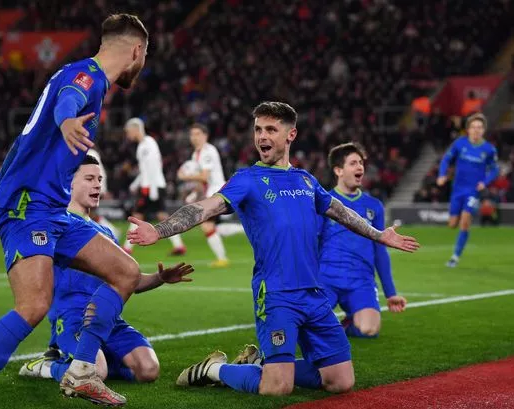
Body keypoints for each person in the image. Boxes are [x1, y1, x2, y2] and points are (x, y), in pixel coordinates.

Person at [127, 101, 419, 396]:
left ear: (290, 135)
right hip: (277, 294)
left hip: (314, 294)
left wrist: (378, 235)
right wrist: (160, 230)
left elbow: (340, 210)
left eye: (271, 130)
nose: (262, 137)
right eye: (257, 130)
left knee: (341, 381)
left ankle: (261, 363)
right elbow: (204, 208)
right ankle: (213, 369)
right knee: (277, 387)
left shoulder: (305, 179)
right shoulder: (247, 180)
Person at [0, 14, 150, 409]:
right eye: (145, 57)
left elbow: (27, 131)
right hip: (29, 207)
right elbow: (66, 103)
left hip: (50, 207)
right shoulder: (86, 79)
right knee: (34, 305)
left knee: (125, 271)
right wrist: (68, 121)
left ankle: (80, 373)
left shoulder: (75, 73)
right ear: (136, 51)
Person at [19, 155, 193, 384]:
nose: (97, 184)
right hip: (72, 319)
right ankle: (47, 366)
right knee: (94, 372)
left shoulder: (105, 233)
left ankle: (101, 361)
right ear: (68, 183)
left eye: (99, 179)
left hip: (108, 319)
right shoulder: (56, 225)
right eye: (89, 178)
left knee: (148, 370)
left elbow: (129, 280)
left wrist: (159, 278)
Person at [319, 142, 406, 338]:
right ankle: (323, 321)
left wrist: (390, 293)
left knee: (369, 330)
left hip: (361, 280)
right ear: (338, 170)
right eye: (353, 163)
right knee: (309, 325)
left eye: (361, 163)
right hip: (327, 277)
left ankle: (346, 324)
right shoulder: (324, 202)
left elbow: (380, 251)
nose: (360, 167)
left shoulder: (373, 206)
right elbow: (312, 243)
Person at [177, 123, 244, 267]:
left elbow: (204, 176)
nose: (194, 137)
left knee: (207, 225)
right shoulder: (196, 154)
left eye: (197, 134)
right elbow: (202, 181)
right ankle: (240, 230)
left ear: (205, 136)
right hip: (210, 192)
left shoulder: (208, 151)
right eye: (192, 134)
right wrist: (195, 193)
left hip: (217, 191)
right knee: (213, 227)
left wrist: (184, 176)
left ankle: (222, 259)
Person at [437, 112, 499, 267]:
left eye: (479, 127)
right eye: (473, 127)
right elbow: (446, 159)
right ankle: (459, 230)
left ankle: (455, 257)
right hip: (457, 189)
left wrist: (485, 182)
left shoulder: (489, 149)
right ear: (468, 129)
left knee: (465, 222)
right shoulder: (460, 144)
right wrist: (442, 175)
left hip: (473, 191)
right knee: (452, 224)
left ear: (483, 130)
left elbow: (494, 170)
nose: (476, 130)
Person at [122, 117, 186, 256]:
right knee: (162, 216)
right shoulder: (142, 145)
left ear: (135, 129)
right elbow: (145, 169)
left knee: (137, 215)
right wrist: (136, 183)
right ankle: (179, 246)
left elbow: (153, 167)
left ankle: (127, 248)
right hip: (152, 185)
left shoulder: (148, 144)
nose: (128, 135)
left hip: (152, 186)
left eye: (128, 131)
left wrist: (152, 189)